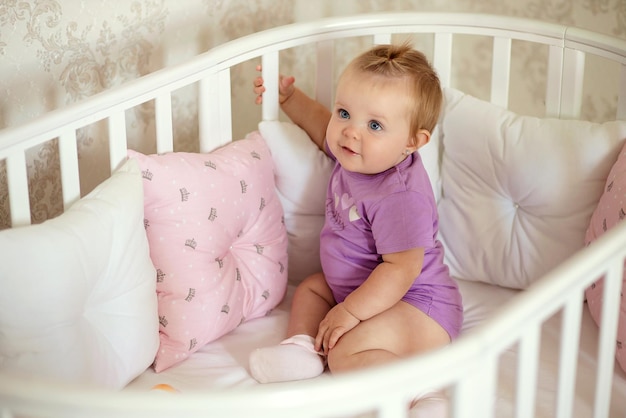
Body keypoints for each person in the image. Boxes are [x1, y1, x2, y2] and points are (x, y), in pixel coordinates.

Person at [248, 43, 463, 404]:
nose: (350, 132)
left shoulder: (400, 195)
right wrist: (289, 99)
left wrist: (349, 312)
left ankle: (421, 391)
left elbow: (402, 269)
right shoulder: (360, 153)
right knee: (311, 290)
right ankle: (303, 348)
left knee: (345, 353)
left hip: (418, 305)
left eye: (374, 124)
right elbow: (321, 126)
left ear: (412, 142)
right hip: (358, 289)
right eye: (344, 112)